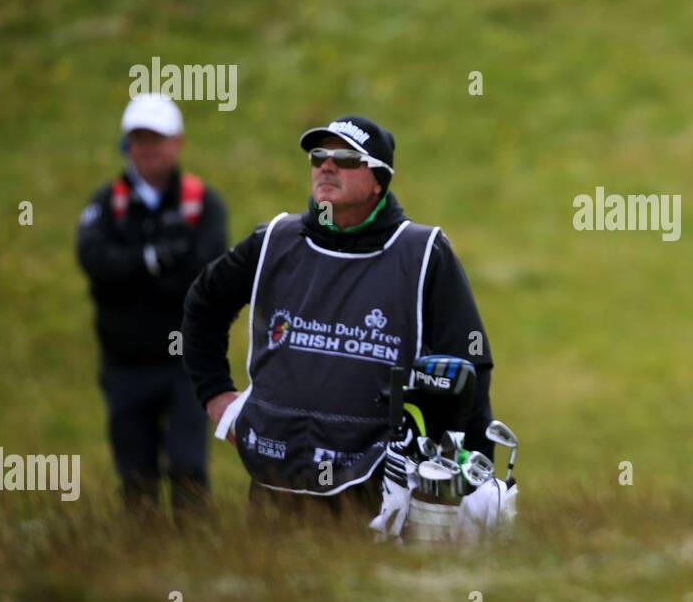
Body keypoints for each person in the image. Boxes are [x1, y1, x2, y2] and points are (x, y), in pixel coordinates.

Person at [181, 115, 494, 522]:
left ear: (378, 179)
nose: (326, 166)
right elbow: (203, 304)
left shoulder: (423, 253)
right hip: (274, 483)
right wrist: (216, 395)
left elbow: (469, 367)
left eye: (345, 158)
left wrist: (474, 480)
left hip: (379, 493)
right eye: (318, 156)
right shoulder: (274, 241)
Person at [76, 93, 228, 519]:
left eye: (156, 139)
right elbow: (95, 264)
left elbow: (207, 277)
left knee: (188, 467)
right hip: (124, 362)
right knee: (135, 476)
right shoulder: (106, 204)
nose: (148, 149)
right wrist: (152, 258)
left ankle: (194, 554)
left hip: (186, 364)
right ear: (127, 145)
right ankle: (143, 562)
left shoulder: (203, 203)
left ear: (177, 142)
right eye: (139, 140)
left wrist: (137, 271)